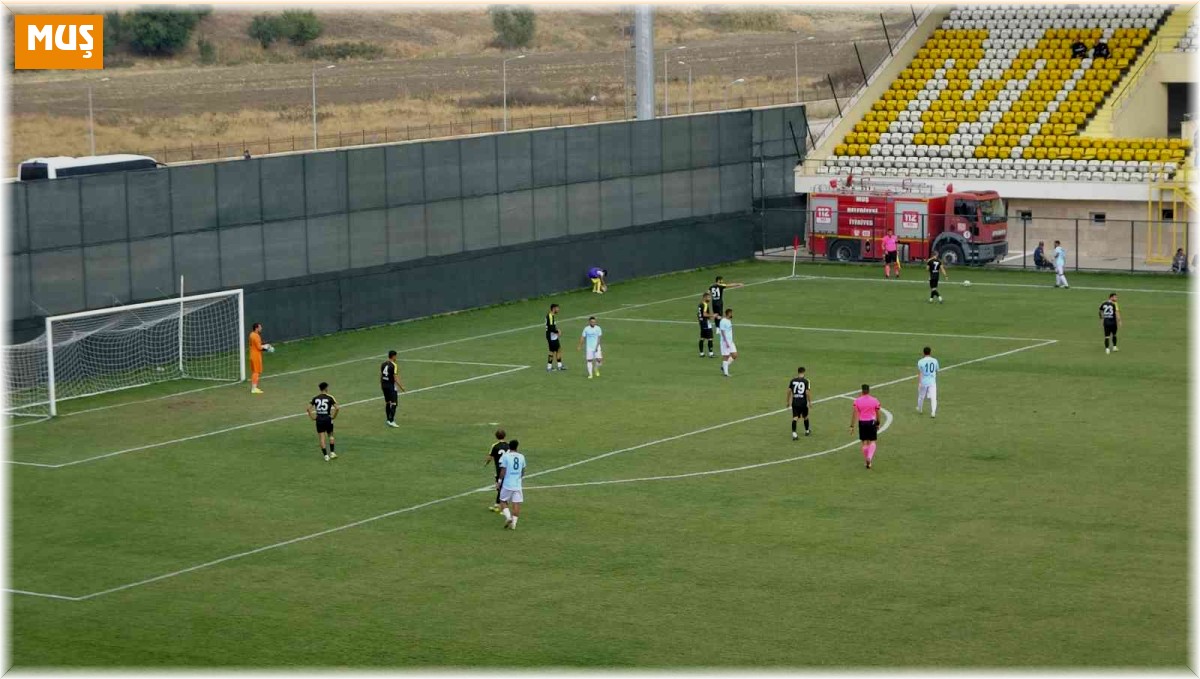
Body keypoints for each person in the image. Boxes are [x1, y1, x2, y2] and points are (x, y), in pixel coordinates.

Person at [848, 384, 882, 470]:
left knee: (864, 443)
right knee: (872, 441)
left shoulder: (857, 401)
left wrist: (852, 426)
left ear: (862, 391)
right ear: (869, 391)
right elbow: (878, 413)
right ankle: (869, 458)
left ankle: (868, 461)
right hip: (871, 422)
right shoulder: (875, 400)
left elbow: (854, 414)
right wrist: (878, 423)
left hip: (862, 422)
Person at [497, 439, 526, 530]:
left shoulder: (506, 456)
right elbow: (523, 470)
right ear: (517, 447)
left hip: (507, 484)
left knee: (502, 501)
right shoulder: (521, 456)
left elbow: (503, 471)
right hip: (517, 484)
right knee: (516, 503)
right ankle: (514, 524)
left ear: (509, 447)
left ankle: (508, 517)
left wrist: (499, 481)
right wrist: (519, 478)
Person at [307, 382, 339, 461]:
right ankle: (332, 453)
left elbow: (308, 408)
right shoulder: (330, 397)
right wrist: (333, 416)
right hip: (327, 418)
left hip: (319, 419)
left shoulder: (315, 398)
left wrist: (312, 417)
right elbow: (337, 408)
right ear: (325, 388)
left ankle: (326, 456)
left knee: (321, 438)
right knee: (330, 435)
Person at [380, 350, 406, 428]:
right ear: (393, 356)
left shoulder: (383, 364)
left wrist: (381, 384)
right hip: (390, 386)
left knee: (388, 402)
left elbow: (381, 375)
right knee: (394, 403)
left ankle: (388, 419)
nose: (396, 358)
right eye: (396, 356)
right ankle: (391, 421)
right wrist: (402, 387)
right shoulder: (394, 365)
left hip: (384, 385)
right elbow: (395, 378)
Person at [484, 428, 508, 512]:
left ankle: (502, 507)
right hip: (507, 469)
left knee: (500, 486)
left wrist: (486, 463)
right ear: (504, 436)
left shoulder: (495, 446)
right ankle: (498, 505)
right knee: (501, 486)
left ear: (496, 436)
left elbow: (490, 457)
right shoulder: (508, 445)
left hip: (499, 469)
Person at [786, 366, 812, 439]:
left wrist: (788, 401)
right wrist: (810, 402)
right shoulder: (806, 381)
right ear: (804, 372)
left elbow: (788, 391)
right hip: (803, 402)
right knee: (805, 416)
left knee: (795, 417)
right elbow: (807, 392)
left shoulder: (793, 380)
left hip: (795, 402)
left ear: (798, 372)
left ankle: (794, 433)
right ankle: (807, 431)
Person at [248, 322, 272, 394]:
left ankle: (254, 387)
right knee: (256, 372)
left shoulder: (251, 334)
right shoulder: (256, 336)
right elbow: (259, 347)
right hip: (256, 356)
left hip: (252, 355)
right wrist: (267, 348)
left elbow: (257, 345)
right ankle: (254, 388)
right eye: (260, 327)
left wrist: (265, 345)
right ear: (256, 328)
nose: (261, 328)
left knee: (254, 372)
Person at [916, 346, 939, 418]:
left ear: (923, 353)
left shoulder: (920, 361)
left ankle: (920, 409)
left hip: (923, 381)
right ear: (930, 352)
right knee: (933, 398)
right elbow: (937, 370)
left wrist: (919, 382)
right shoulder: (935, 360)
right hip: (932, 381)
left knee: (921, 396)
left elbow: (920, 373)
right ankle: (933, 412)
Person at [545, 303, 565, 372]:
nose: (558, 310)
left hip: (552, 336)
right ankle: (552, 367)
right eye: (557, 308)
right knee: (553, 351)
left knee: (557, 350)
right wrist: (557, 331)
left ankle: (555, 366)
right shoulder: (550, 316)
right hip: (552, 336)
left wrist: (556, 331)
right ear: (553, 309)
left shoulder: (551, 315)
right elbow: (551, 327)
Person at [718, 308, 737, 377]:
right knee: (726, 356)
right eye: (731, 313)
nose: (732, 314)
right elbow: (722, 332)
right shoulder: (723, 321)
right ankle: (726, 373)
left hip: (730, 341)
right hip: (725, 342)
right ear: (728, 313)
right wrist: (726, 342)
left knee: (735, 355)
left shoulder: (728, 320)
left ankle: (723, 367)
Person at [697, 292, 716, 358]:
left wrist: (712, 317)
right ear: (704, 297)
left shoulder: (700, 304)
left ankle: (701, 353)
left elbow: (700, 314)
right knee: (710, 338)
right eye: (708, 297)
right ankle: (711, 353)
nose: (710, 299)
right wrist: (712, 315)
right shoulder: (705, 304)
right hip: (706, 323)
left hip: (701, 323)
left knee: (702, 338)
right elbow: (704, 314)